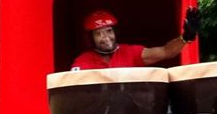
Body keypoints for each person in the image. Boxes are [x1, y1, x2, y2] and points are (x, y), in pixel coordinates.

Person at [70, 7, 201, 70]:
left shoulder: (130, 53)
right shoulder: (82, 62)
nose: (106, 37)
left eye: (109, 31)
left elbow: (166, 51)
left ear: (115, 32)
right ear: (90, 38)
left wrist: (186, 37)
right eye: (99, 34)